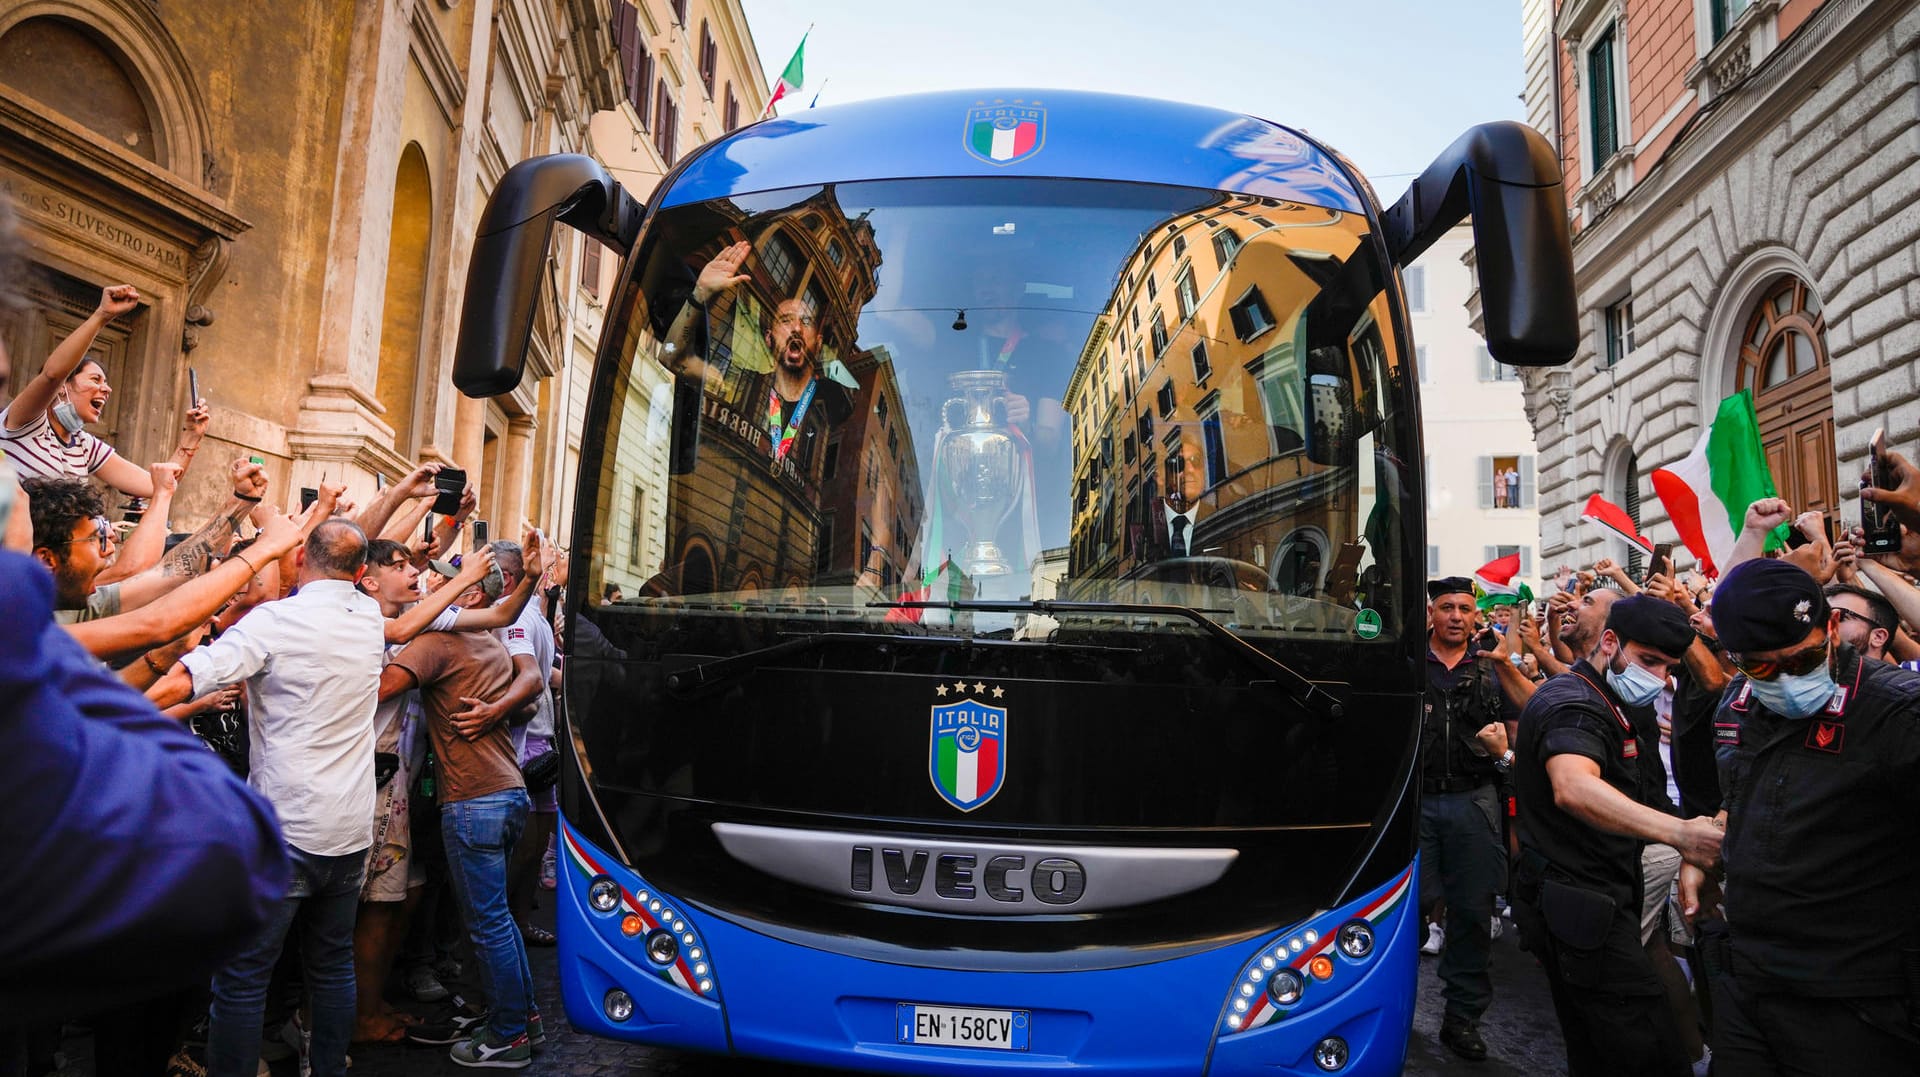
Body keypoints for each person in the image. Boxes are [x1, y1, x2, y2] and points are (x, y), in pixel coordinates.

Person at [0, 463, 290, 1026]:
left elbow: (168, 574)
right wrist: (265, 550)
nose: (107, 550)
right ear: (41, 560)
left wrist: (234, 507)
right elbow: (156, 622)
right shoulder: (28, 628)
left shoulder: (74, 603)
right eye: (95, 537)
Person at [146, 519, 386, 1077]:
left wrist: (110, 704)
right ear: (360, 572)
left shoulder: (276, 621)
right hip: (348, 830)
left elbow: (193, 676)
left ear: (301, 555)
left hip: (285, 829)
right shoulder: (370, 617)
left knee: (244, 976)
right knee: (331, 968)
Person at [1679, 558, 1920, 1074]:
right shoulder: (1739, 705)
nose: (1787, 680)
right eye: (1763, 667)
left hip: (1851, 998)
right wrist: (1712, 845)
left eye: (1805, 659)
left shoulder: (1897, 711)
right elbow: (1741, 796)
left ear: (1832, 628)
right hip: (1747, 981)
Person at [1511, 595, 1724, 1077]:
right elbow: (1573, 786)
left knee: (1597, 1053)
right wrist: (1681, 834)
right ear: (1610, 642)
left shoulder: (1613, 700)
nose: (1658, 677)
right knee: (1647, 1052)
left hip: (1593, 900)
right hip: (1582, 907)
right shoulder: (1576, 704)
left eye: (1668, 668)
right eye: (1647, 660)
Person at [383, 577, 541, 1069]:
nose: (432, 591)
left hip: (473, 800)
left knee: (487, 925)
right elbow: (532, 689)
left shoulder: (437, 644)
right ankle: (525, 1018)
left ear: (471, 598)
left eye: (446, 586)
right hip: (510, 793)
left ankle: (508, 1036)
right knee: (502, 922)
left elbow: (377, 689)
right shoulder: (490, 644)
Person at [1417, 576, 1534, 1061]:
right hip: (1416, 804)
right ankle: (1388, 1008)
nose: (1457, 617)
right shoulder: (1407, 662)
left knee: (1470, 914)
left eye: (1465, 608)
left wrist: (1505, 663)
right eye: (1447, 607)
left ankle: (1461, 1020)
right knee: (1405, 915)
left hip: (1474, 800)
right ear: (1431, 613)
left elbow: (1528, 713)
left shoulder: (1490, 665)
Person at [0, 284, 210, 497]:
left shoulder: (84, 445)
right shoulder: (27, 423)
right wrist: (102, 315)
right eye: (95, 379)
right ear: (63, 387)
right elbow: (52, 374)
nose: (107, 388)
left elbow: (153, 486)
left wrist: (192, 436)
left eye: (106, 381)